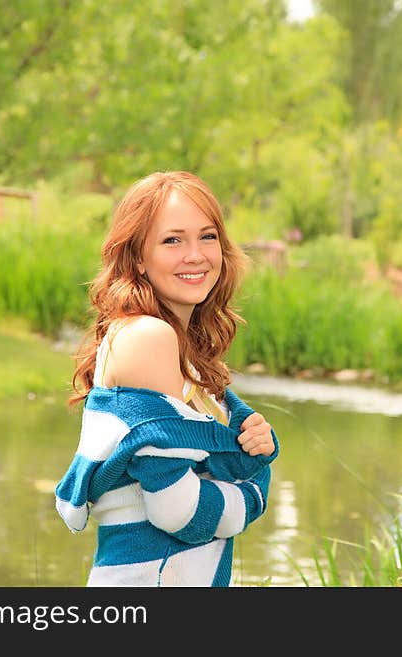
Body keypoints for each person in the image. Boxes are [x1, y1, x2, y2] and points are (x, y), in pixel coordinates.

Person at [55, 170, 279, 587]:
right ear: (139, 256)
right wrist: (254, 493)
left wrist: (255, 441)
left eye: (207, 236)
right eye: (172, 240)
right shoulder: (148, 337)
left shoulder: (183, 348)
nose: (195, 255)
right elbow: (179, 511)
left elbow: (230, 453)